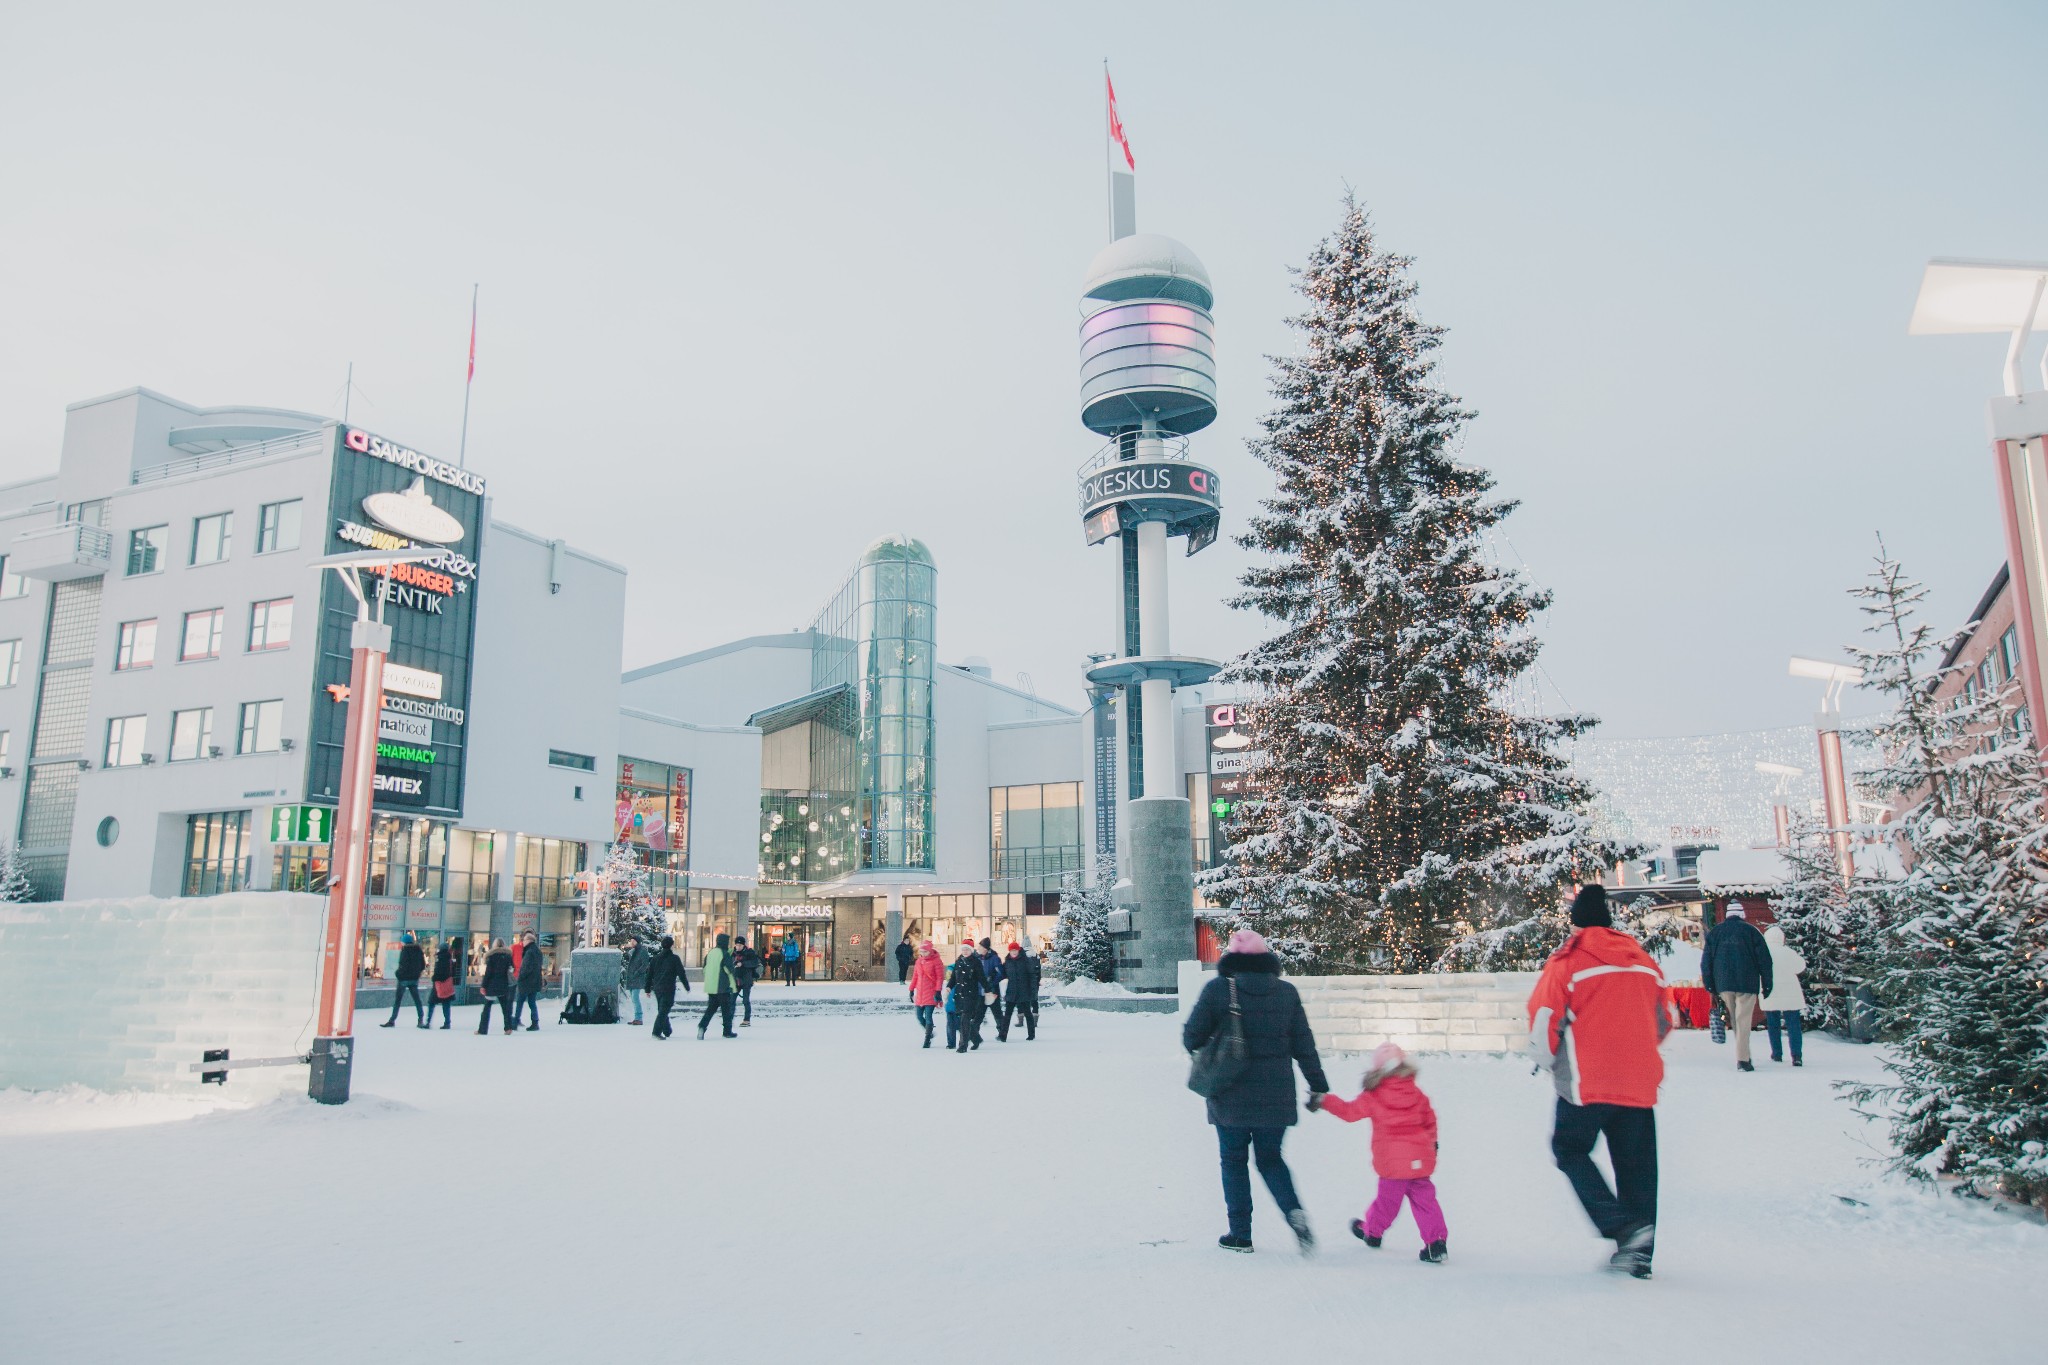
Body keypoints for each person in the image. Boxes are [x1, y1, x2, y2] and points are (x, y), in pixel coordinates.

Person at [1528, 883, 1674, 1280]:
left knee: (1569, 1148)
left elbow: (1544, 1021)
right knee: (1638, 1169)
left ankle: (1621, 1227)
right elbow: (1665, 1020)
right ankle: (1639, 1253)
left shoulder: (1568, 961)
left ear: (1575, 924)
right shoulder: (1643, 961)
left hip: (1584, 1081)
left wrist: (1544, 1060)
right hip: (1639, 1082)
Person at [1181, 928, 1329, 1255]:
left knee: (1233, 1161)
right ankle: (1295, 1213)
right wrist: (1318, 1085)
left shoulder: (1219, 990)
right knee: (1271, 1160)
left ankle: (1240, 1234)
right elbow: (1305, 1045)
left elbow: (1191, 1037)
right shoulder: (1286, 992)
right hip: (1276, 1097)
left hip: (1229, 1093)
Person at [1310, 1042, 1448, 1263]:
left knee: (1386, 1203)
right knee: (1426, 1203)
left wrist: (1325, 1100)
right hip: (1420, 1160)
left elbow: (1349, 1112)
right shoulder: (1416, 1093)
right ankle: (1436, 1244)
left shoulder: (1374, 1095)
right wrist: (1432, 1143)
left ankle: (1372, 1233)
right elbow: (1430, 1121)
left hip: (1393, 1165)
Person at [1702, 901, 1773, 1072]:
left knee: (1736, 1020)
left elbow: (1706, 962)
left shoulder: (1715, 933)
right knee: (1743, 1021)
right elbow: (1764, 960)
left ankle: (1743, 1055)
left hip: (1724, 983)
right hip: (1747, 982)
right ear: (1742, 914)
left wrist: (1710, 984)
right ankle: (1743, 1059)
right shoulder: (1752, 932)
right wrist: (1768, 983)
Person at [1761, 923, 1808, 1066]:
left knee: (1773, 1024)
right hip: (1790, 993)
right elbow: (1800, 966)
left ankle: (1776, 1053)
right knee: (1793, 1025)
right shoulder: (1788, 952)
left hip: (1770, 992)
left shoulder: (1763, 953)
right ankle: (1796, 1056)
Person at [946, 941, 987, 1052]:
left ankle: (962, 1046)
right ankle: (976, 1039)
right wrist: (949, 987)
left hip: (971, 995)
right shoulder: (959, 961)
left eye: (967, 949)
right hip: (959, 995)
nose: (965, 951)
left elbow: (982, 978)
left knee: (965, 1019)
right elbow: (954, 977)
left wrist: (989, 990)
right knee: (964, 1021)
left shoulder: (976, 962)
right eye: (963, 949)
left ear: (971, 950)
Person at [647, 935, 689, 1039]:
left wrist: (647, 988)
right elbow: (681, 973)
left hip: (657, 988)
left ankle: (667, 1030)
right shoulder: (674, 959)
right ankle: (656, 1032)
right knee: (663, 1010)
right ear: (671, 946)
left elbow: (649, 974)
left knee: (662, 1009)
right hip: (668, 988)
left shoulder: (655, 959)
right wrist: (686, 986)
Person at [381, 931, 426, 1028]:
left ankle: (392, 1020)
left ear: (405, 942)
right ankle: (420, 1019)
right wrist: (417, 973)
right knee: (417, 1000)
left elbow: (403, 965)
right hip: (414, 979)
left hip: (403, 979)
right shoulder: (418, 950)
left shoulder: (405, 950)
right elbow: (423, 965)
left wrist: (398, 974)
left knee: (398, 1001)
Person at [699, 931, 739, 1039]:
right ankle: (727, 1031)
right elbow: (729, 971)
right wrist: (733, 986)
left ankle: (702, 1026)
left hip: (710, 987)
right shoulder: (724, 954)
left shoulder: (710, 953)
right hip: (722, 987)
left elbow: (705, 969)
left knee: (710, 1009)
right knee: (726, 1011)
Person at [997, 941, 1040, 1042]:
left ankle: (1031, 1034)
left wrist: (1033, 990)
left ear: (1018, 950)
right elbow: (1003, 974)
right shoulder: (1007, 962)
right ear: (1009, 951)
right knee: (1007, 1015)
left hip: (1024, 991)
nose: (1014, 952)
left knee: (1027, 1013)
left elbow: (1032, 976)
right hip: (1012, 991)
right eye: (1012, 950)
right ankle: (1003, 1035)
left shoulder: (1025, 960)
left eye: (1015, 950)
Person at [909, 938, 946, 1047]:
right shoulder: (918, 961)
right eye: (921, 951)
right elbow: (915, 976)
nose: (923, 953)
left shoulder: (937, 961)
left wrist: (938, 991)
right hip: (920, 993)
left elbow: (940, 978)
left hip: (931, 993)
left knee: (928, 1016)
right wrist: (911, 989)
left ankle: (927, 1039)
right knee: (919, 1016)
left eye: (925, 951)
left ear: (930, 951)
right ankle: (929, 1032)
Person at [476, 939, 515, 1036]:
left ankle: (482, 1029)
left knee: (487, 1008)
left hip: (492, 985)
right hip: (504, 985)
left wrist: (483, 986)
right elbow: (511, 969)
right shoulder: (508, 956)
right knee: (505, 1008)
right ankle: (508, 1028)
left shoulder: (492, 957)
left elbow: (488, 973)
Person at [513, 931, 544, 1032]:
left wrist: (520, 978)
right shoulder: (538, 951)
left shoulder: (529, 952)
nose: (523, 942)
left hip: (526, 982)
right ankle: (535, 1022)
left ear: (529, 940)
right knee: (532, 1002)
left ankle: (515, 1021)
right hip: (535, 981)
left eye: (524, 940)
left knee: (520, 1002)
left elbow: (526, 967)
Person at [620, 936, 651, 1026]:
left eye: (633, 941)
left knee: (635, 998)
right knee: (634, 999)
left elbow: (645, 964)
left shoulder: (642, 951)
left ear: (637, 942)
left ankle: (639, 1018)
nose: (632, 942)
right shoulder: (632, 951)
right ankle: (637, 1018)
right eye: (631, 941)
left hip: (637, 978)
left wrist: (637, 972)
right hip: (631, 978)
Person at [732, 936, 762, 1027]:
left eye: (740, 945)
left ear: (743, 945)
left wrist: (743, 964)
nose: (738, 947)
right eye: (737, 945)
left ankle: (746, 1019)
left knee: (745, 1000)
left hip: (746, 979)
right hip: (736, 979)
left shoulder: (750, 952)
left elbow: (754, 963)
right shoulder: (733, 953)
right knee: (731, 1000)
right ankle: (729, 1018)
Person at [428, 941, 456, 1029]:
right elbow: (453, 972)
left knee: (431, 1003)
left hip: (438, 985)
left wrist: (434, 978)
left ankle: (428, 1022)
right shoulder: (449, 959)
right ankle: (447, 1022)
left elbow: (439, 972)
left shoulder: (440, 958)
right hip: (447, 984)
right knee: (446, 1003)